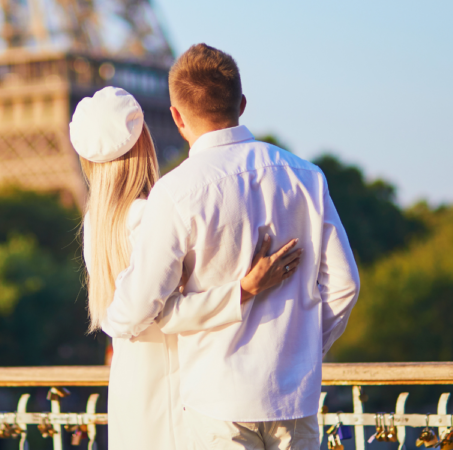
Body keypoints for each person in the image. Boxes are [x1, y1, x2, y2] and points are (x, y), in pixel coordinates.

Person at [101, 44, 361, 450]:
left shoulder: (175, 192)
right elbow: (344, 286)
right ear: (241, 103)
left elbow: (139, 309)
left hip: (217, 402)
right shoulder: (306, 177)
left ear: (176, 116)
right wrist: (302, 349)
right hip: (296, 399)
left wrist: (111, 320)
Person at [69, 86, 304, 450]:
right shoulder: (151, 214)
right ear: (144, 141)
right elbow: (161, 314)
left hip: (131, 385)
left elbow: (128, 317)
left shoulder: (94, 224)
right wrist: (243, 289)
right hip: (178, 382)